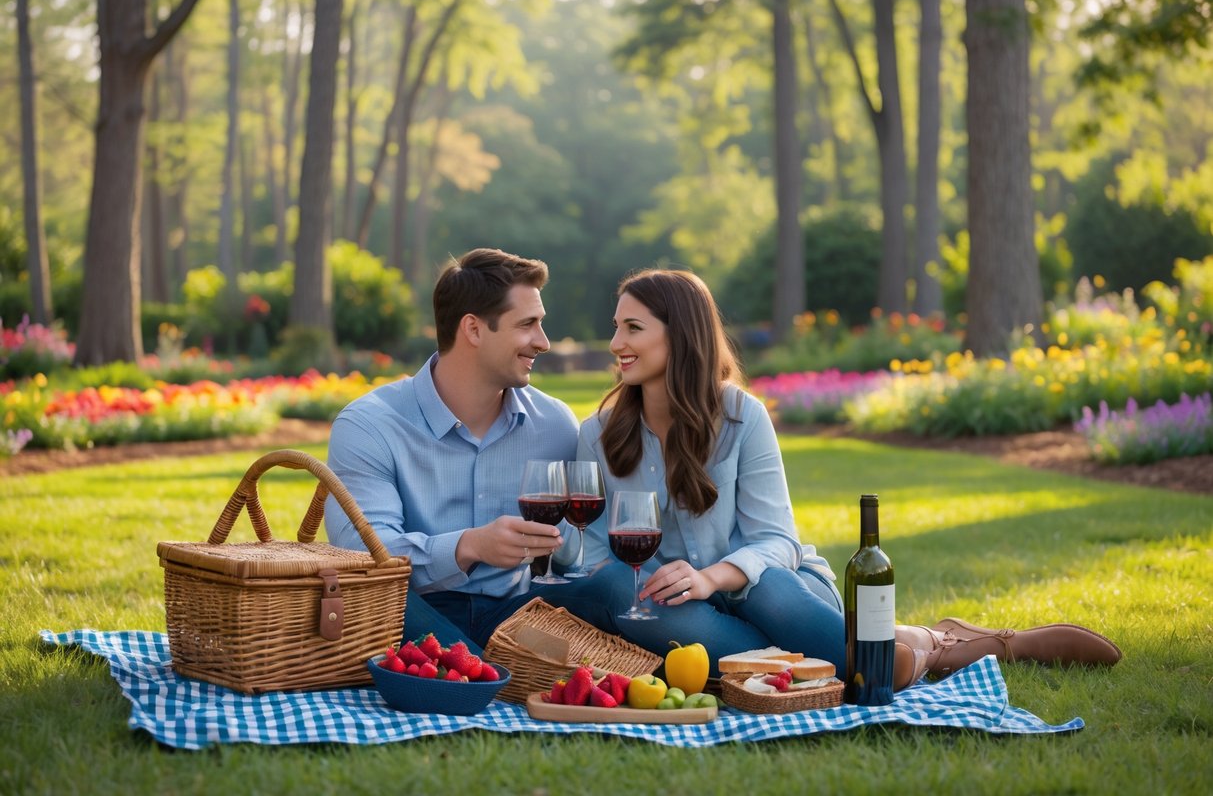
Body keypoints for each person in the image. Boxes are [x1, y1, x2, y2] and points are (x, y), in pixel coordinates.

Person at [561, 268, 1122, 686]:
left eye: (632, 328)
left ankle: (937, 650)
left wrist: (713, 578)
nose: (616, 344)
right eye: (616, 328)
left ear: (679, 335)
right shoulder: (601, 433)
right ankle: (903, 647)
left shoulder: (740, 417)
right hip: (670, 605)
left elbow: (776, 541)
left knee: (772, 590)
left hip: (768, 591)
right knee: (636, 600)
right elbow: (588, 548)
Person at [323, 248, 631, 651]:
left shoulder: (553, 423)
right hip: (411, 610)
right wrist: (469, 546)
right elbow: (365, 557)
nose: (543, 341)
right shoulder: (370, 425)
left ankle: (475, 673)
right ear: (473, 329)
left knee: (615, 588)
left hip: (517, 611)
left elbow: (579, 552)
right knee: (381, 597)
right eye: (528, 325)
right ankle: (482, 672)